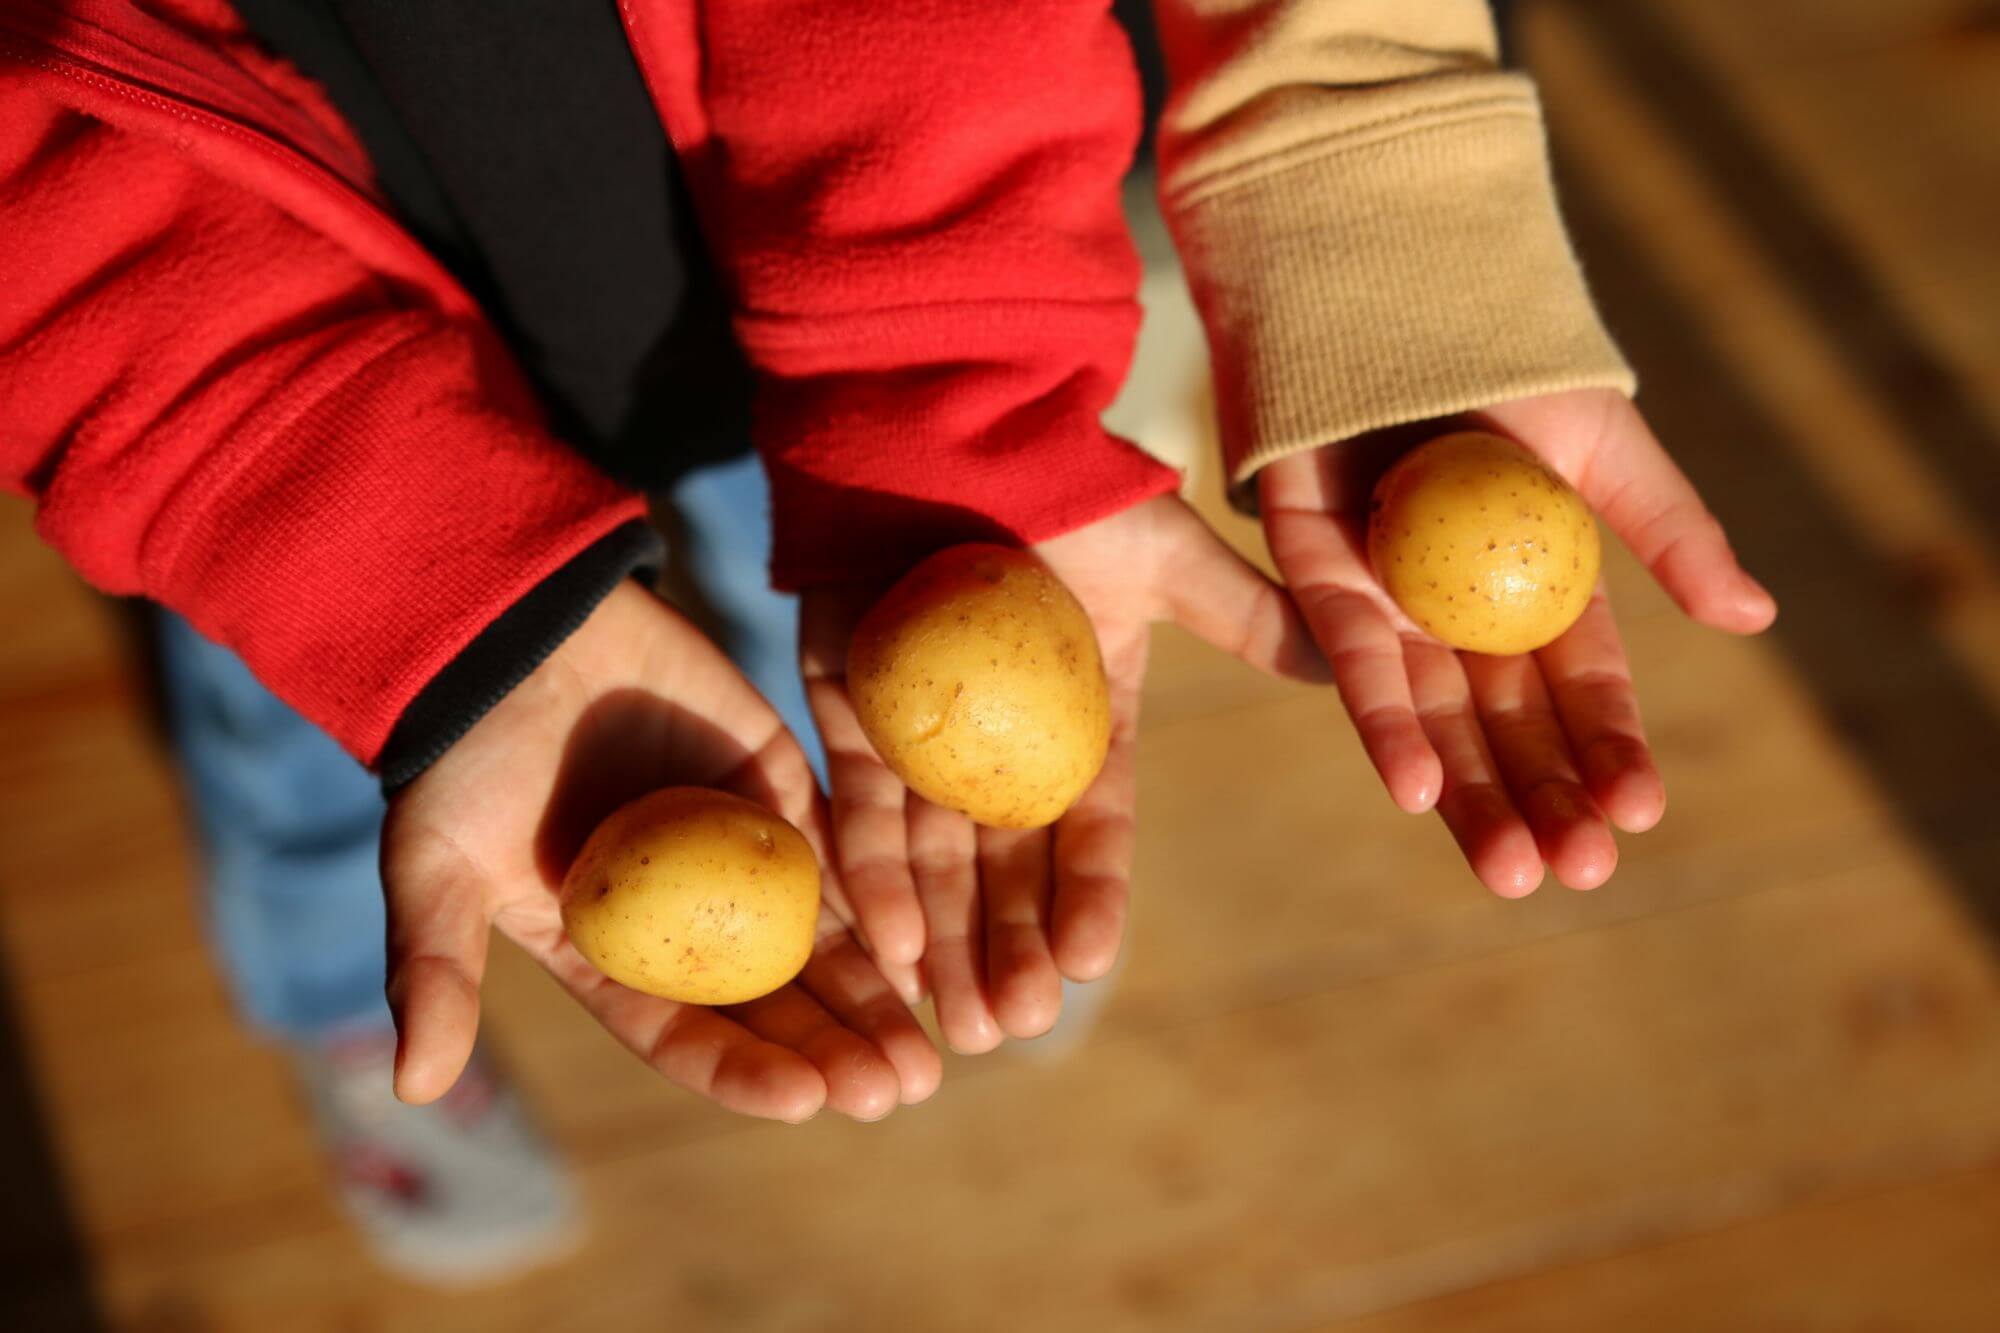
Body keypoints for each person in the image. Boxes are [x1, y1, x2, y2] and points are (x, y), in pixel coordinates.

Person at [0, 0, 1772, 1282]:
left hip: (767, 264)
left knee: (787, 638)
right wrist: (348, 536)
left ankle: (872, 870)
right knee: (319, 726)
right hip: (279, 348)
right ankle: (335, 1005)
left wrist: (947, 374)